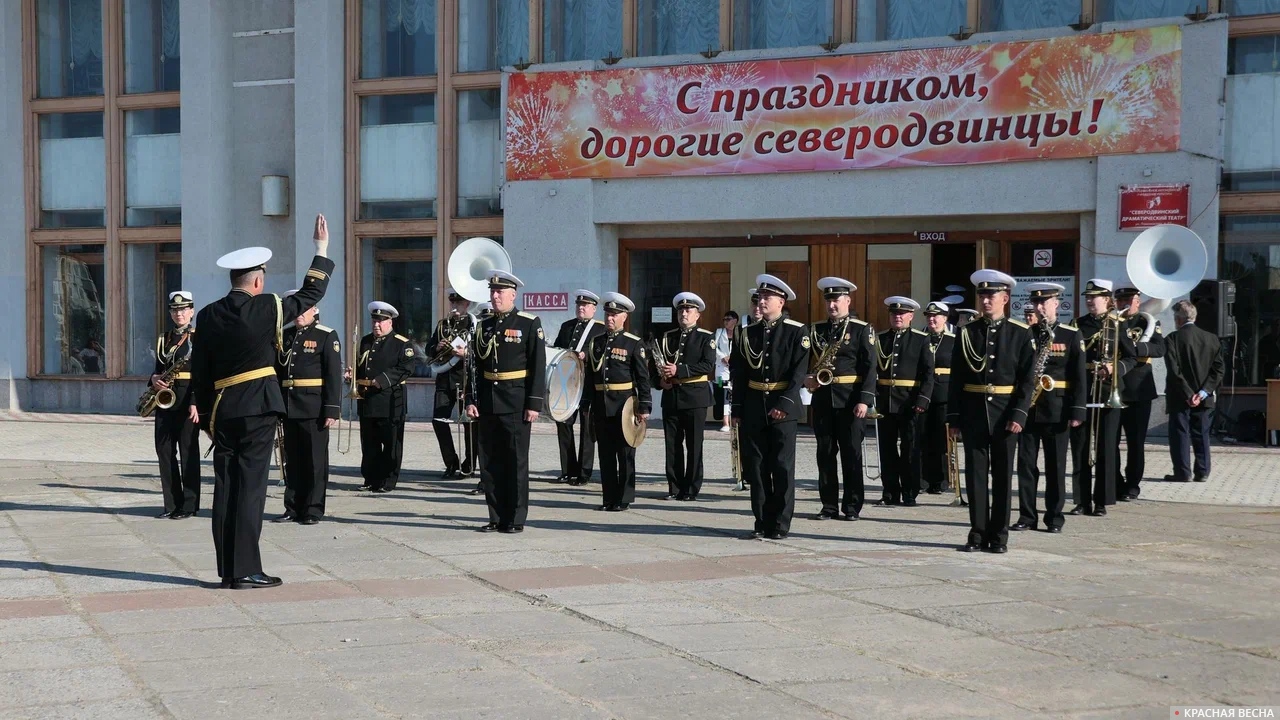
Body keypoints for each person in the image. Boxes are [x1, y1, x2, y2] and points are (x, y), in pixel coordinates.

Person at [190, 213, 333, 589]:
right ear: (257, 279)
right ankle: (246, 569)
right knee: (251, 490)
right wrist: (321, 249)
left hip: (222, 411)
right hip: (257, 408)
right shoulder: (267, 306)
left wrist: (206, 416)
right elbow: (310, 295)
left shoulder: (206, 315)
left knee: (226, 489)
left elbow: (200, 371)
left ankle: (227, 570)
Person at [949, 270, 1035, 554]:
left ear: (1005, 298)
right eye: (982, 295)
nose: (986, 300)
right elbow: (957, 379)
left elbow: (1027, 379)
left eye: (991, 295)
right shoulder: (966, 333)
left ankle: (999, 536)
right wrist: (954, 417)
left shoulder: (1020, 333)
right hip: (973, 413)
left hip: (1005, 414)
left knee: (1001, 477)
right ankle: (977, 533)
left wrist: (1019, 414)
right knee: (975, 477)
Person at [464, 271, 546, 533]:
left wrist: (534, 403)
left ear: (513, 294)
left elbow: (538, 366)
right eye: (492, 291)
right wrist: (470, 399)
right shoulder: (484, 325)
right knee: (489, 462)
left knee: (515, 462)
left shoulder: (529, 323)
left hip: (516, 401)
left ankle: (515, 518)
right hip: (487, 402)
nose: (495, 295)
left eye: (500, 292)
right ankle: (496, 515)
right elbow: (474, 367)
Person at [731, 274, 809, 540]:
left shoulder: (797, 331)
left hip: (782, 408)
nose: (761, 302)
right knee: (757, 466)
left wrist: (784, 404)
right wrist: (737, 409)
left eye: (767, 298)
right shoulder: (747, 332)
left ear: (781, 301)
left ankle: (780, 523)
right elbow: (739, 373)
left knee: (782, 467)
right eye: (759, 297)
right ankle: (762, 519)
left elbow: (799, 373)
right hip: (754, 405)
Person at [1012, 283, 1085, 534]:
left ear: (1057, 304)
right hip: (1029, 408)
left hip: (1058, 409)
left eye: (1045, 303)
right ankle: (1027, 516)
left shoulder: (1070, 335)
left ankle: (1054, 518)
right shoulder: (1025, 334)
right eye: (1037, 304)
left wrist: (1077, 411)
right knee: (1025, 465)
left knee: (1056, 467)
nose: (1041, 308)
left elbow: (1079, 377)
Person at [803, 277, 876, 521]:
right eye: (829, 301)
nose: (832, 305)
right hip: (823, 400)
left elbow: (869, 367)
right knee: (825, 454)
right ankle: (829, 505)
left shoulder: (861, 329)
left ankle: (853, 506)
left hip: (851, 401)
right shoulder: (816, 330)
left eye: (836, 300)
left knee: (851, 454)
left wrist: (864, 400)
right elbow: (804, 362)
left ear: (847, 301)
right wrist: (807, 379)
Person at [271, 293, 342, 525]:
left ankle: (312, 508)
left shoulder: (326, 335)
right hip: (289, 406)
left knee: (314, 461)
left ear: (315, 310)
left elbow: (332, 375)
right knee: (291, 460)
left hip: (313, 407)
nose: (299, 314)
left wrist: (331, 409)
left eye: (304, 309)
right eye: (296, 309)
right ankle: (292, 507)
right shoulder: (284, 335)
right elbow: (277, 373)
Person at [1070, 279, 1136, 516]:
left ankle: (1101, 500)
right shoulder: (1077, 324)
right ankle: (1081, 499)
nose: (1089, 300)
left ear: (1107, 299)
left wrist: (1113, 368)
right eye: (1087, 297)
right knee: (1080, 448)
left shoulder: (1118, 325)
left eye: (1094, 297)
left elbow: (1131, 358)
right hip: (1083, 390)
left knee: (1106, 448)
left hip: (1108, 391)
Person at [585, 293, 651, 511]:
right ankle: (608, 498)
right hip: (601, 404)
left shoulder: (633, 343)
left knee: (625, 453)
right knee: (605, 453)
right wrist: (587, 403)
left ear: (624, 317)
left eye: (614, 314)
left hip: (624, 405)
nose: (610, 318)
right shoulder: (596, 342)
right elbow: (590, 376)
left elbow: (643, 377)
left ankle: (623, 498)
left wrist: (644, 406)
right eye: (608, 314)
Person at [654, 292, 716, 501]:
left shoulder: (706, 337)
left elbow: (708, 366)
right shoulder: (667, 336)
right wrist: (659, 381)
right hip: (672, 396)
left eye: (689, 310)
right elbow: (657, 366)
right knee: (672, 445)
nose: (684, 313)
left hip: (694, 397)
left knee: (694, 444)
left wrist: (679, 371)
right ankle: (674, 487)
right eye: (681, 310)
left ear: (697, 315)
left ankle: (691, 488)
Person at [874, 297, 934, 508]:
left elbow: (928, 373)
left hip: (909, 402)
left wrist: (923, 399)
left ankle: (910, 492)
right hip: (885, 401)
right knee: (887, 449)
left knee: (910, 449)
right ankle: (890, 492)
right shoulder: (879, 339)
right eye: (893, 314)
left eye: (902, 314)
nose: (897, 317)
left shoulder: (920, 339)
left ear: (911, 316)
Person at [353, 302, 416, 493]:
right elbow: (361, 365)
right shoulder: (365, 341)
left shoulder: (401, 343)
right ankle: (371, 478)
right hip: (368, 399)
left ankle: (388, 480)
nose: (377, 325)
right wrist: (353, 376)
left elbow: (406, 368)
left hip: (390, 400)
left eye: (381, 321)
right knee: (369, 442)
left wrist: (381, 380)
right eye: (374, 321)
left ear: (390, 322)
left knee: (391, 442)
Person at [1113, 280, 1166, 500]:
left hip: (1138, 390)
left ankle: (1133, 484)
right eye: (1120, 300)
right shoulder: (1110, 323)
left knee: (1135, 443)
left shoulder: (1147, 323)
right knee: (1110, 442)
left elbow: (1160, 348)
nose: (1124, 304)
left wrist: (1136, 348)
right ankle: (1114, 482)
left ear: (1137, 301)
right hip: (1114, 388)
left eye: (1128, 300)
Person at [150, 291, 200, 520]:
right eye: (175, 310)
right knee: (164, 451)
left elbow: (203, 374)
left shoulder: (198, 337)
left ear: (191, 312)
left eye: (183, 310)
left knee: (188, 453)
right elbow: (157, 368)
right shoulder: (164, 338)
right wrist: (153, 379)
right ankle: (171, 503)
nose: (179, 314)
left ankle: (189, 505)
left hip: (187, 400)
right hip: (165, 399)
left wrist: (195, 402)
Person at [1163, 300, 1224, 483]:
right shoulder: (1211, 338)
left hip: (1179, 396)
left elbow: (1174, 371)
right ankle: (1203, 471)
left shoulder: (1172, 339)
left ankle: (1183, 473)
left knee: (1180, 434)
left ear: (1178, 319)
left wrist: (1189, 394)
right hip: (1204, 397)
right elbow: (1219, 369)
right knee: (1202, 433)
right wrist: (1203, 392)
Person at [553, 290, 605, 486]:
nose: (581, 308)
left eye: (585, 306)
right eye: (578, 305)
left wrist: (585, 354)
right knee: (563, 425)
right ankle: (568, 469)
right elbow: (558, 349)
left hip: (587, 385)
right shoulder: (567, 326)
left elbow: (602, 353)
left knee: (586, 429)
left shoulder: (599, 329)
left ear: (593, 308)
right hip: (567, 384)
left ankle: (584, 472)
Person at [430, 290, 477, 480]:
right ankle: (451, 462)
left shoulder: (474, 325)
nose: (455, 306)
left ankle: (469, 464)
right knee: (438, 421)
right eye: (452, 303)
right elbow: (429, 349)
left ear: (467, 304)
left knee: (468, 424)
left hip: (464, 379)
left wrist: (466, 353)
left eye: (459, 303)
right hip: (444, 379)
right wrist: (437, 347)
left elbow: (481, 353)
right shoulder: (443, 325)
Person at [920, 301, 955, 495]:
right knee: (922, 437)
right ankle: (923, 479)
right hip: (924, 395)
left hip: (944, 394)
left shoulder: (953, 340)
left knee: (942, 440)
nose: (932, 319)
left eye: (936, 316)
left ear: (945, 318)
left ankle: (941, 480)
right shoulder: (921, 337)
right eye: (928, 316)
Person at [713, 311, 739, 432]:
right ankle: (724, 421)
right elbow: (713, 347)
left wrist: (733, 358)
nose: (726, 321)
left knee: (733, 394)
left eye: (728, 319)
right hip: (720, 370)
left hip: (734, 368)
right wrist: (722, 356)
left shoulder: (739, 332)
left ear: (735, 320)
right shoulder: (719, 332)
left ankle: (732, 420)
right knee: (720, 392)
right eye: (724, 319)